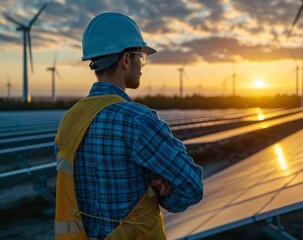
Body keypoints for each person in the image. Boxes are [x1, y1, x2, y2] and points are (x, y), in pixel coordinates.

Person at [54, 12, 203, 240]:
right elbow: (192, 187)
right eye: (141, 56)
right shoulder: (137, 120)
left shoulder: (69, 121)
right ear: (125, 60)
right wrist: (165, 193)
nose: (142, 65)